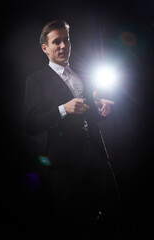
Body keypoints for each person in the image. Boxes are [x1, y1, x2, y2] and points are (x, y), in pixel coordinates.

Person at [24, 19, 122, 239]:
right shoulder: (36, 80)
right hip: (64, 159)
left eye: (66, 40)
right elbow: (30, 125)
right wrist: (62, 109)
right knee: (66, 221)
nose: (63, 46)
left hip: (95, 152)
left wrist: (99, 107)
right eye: (56, 41)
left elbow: (87, 113)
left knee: (113, 210)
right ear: (45, 48)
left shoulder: (81, 75)